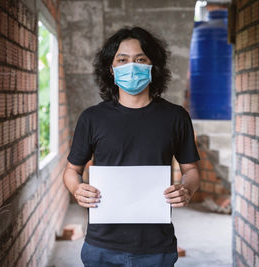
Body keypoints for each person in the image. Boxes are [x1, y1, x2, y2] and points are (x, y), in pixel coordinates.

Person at [62, 26, 201, 267]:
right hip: (101, 245)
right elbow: (71, 170)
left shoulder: (175, 117)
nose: (131, 66)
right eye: (122, 60)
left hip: (156, 247)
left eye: (140, 59)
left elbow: (191, 170)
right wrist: (77, 189)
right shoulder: (92, 118)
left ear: (152, 66)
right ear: (111, 69)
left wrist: (186, 189)